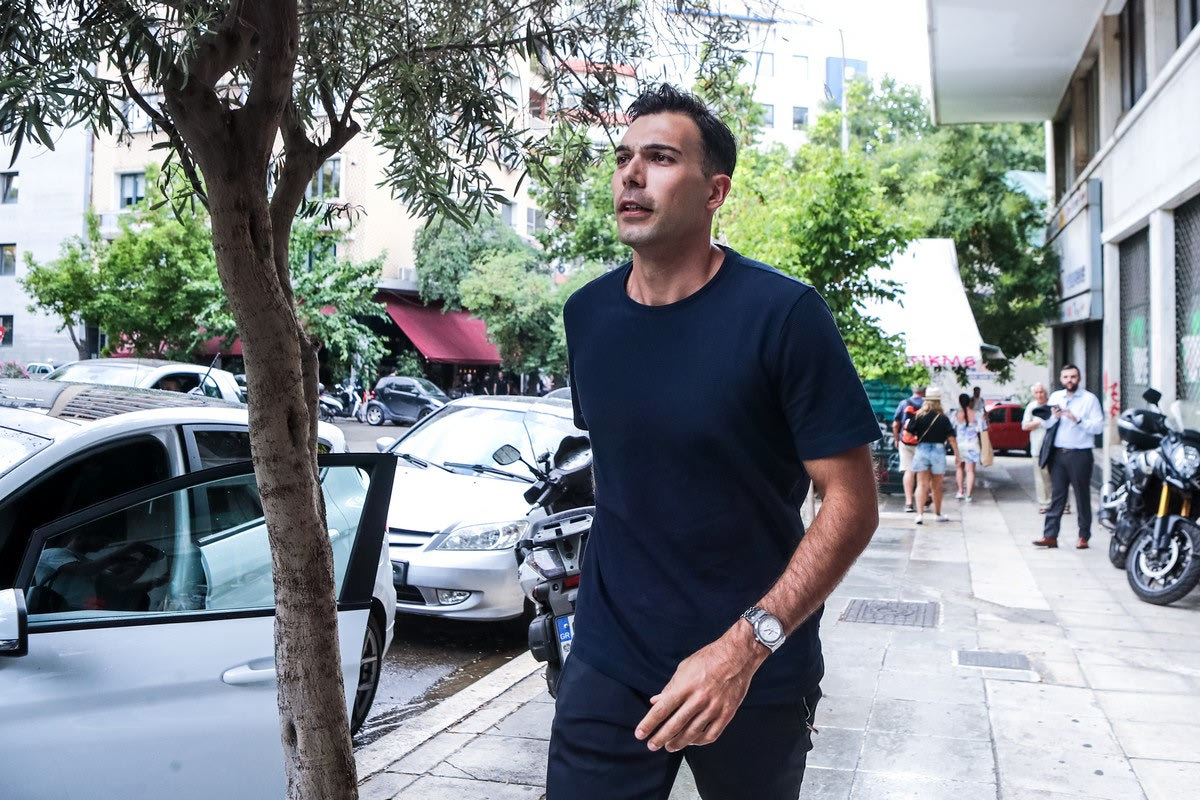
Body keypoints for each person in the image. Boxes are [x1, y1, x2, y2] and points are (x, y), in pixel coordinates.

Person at [551, 84, 881, 800]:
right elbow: (629, 470)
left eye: (660, 158)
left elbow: (852, 503)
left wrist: (745, 648)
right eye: (623, 158)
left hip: (753, 669)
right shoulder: (587, 315)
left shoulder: (785, 315)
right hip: (609, 663)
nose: (632, 175)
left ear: (715, 191)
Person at [1033, 364, 1104, 549]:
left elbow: (1098, 427)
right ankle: (1050, 535)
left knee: (1081, 495)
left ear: (1079, 378)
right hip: (1058, 454)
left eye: (1073, 377)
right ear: (1061, 379)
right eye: (1066, 377)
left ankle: (1083, 536)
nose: (1069, 380)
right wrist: (1054, 417)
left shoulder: (1089, 399)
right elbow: (1046, 425)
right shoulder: (1056, 397)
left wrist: (1077, 419)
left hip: (1080, 454)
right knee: (1057, 495)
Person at [905, 387, 958, 524]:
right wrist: (957, 455)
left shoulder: (918, 416)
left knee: (921, 484)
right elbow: (952, 438)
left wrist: (917, 438)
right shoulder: (943, 418)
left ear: (926, 400)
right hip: (938, 451)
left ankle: (919, 515)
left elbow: (907, 435)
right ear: (938, 401)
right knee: (936, 486)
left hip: (922, 449)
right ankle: (938, 514)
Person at [892, 384, 925, 512]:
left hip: (905, 441)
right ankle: (923, 501)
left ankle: (909, 503)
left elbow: (896, 424)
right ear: (924, 391)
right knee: (922, 472)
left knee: (908, 471)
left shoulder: (904, 403)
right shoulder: (926, 404)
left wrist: (896, 439)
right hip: (922, 442)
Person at [1022, 382, 1053, 513]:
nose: (1039, 395)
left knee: (1058, 476)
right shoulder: (1031, 407)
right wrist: (1039, 422)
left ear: (1046, 393)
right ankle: (1044, 503)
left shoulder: (1053, 405)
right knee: (1041, 477)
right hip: (1038, 447)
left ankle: (1064, 504)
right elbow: (1024, 426)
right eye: (1037, 392)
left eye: (1042, 392)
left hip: (1054, 447)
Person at [953, 392, 982, 501]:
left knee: (959, 467)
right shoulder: (977, 414)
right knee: (970, 471)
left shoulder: (956, 414)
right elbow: (981, 429)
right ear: (970, 402)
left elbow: (952, 429)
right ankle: (968, 495)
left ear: (959, 402)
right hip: (972, 445)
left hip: (960, 445)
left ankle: (960, 491)